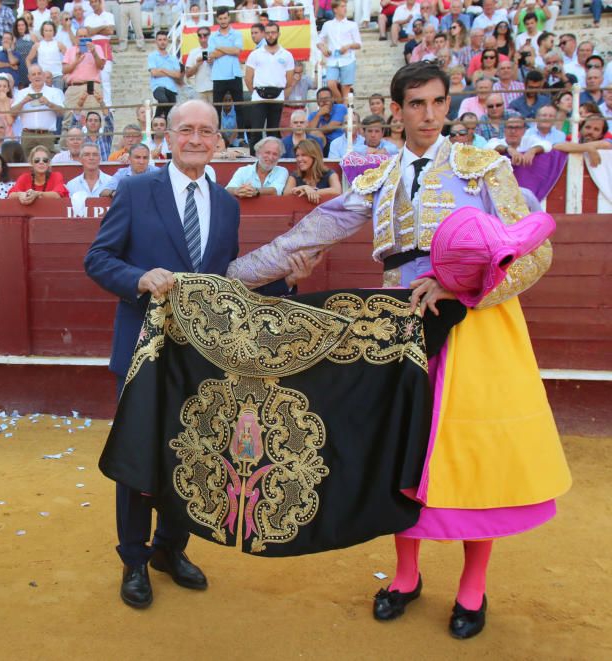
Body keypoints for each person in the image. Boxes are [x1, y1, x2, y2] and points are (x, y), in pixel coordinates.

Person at [226, 62, 569, 640]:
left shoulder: (485, 167)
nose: (429, 114)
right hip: (398, 326)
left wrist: (462, 287)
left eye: (437, 102)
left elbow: (536, 252)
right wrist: (230, 279)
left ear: (448, 106)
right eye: (416, 104)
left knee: (471, 457)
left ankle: (472, 586)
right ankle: (406, 577)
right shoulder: (377, 177)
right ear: (397, 110)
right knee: (400, 453)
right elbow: (305, 236)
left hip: (473, 329)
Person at [83, 99, 253, 610]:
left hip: (202, 356)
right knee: (138, 456)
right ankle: (133, 558)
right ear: (168, 136)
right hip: (144, 351)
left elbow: (227, 278)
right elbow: (98, 258)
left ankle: (169, 549)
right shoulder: (135, 190)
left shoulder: (226, 203)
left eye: (206, 131)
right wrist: (137, 278)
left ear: (219, 140)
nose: (196, 139)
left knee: (195, 456)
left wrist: (287, 275)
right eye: (186, 130)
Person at [244, 21, 295, 152]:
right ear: (264, 35)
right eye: (268, 33)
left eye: (273, 32)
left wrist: (282, 94)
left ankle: (273, 159)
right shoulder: (255, 54)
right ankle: (253, 159)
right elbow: (248, 78)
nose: (270, 36)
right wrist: (255, 93)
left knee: (273, 132)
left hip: (277, 97)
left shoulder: (287, 55)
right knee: (256, 131)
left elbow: (289, 81)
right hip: (258, 97)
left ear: (278, 34)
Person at [13, 65, 65, 154]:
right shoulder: (22, 93)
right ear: (29, 78)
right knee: (26, 164)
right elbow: (12, 113)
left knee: (47, 163)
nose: (37, 76)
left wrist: (49, 103)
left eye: (39, 73)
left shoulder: (55, 92)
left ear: (43, 75)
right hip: (27, 135)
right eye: (33, 74)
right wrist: (23, 102)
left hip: (46, 135)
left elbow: (62, 112)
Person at [318, 0, 362, 101]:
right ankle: (341, 104)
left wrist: (347, 46)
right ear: (335, 9)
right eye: (342, 6)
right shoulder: (327, 25)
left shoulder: (352, 25)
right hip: (332, 60)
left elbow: (358, 44)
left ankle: (345, 111)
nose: (345, 8)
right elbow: (319, 40)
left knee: (345, 89)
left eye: (345, 6)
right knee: (331, 84)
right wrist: (323, 48)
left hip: (348, 60)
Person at [208, 8, 243, 130]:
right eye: (221, 18)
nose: (223, 21)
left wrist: (220, 47)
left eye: (225, 18)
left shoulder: (237, 33)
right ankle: (215, 134)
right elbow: (212, 55)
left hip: (235, 75)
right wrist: (229, 49)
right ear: (217, 19)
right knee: (216, 108)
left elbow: (237, 51)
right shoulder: (212, 36)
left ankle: (242, 135)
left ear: (229, 18)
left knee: (240, 107)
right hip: (218, 76)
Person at [284, 138, 343, 203]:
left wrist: (313, 191)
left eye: (303, 155)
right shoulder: (295, 175)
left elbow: (337, 191)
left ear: (314, 156)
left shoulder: (330, 173)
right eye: (297, 156)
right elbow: (286, 193)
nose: (299, 159)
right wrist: (304, 187)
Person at [147, 30, 182, 119]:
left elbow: (178, 75)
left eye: (164, 39)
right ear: (156, 41)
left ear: (167, 41)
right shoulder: (152, 56)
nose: (162, 42)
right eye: (160, 40)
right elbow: (154, 73)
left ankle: (156, 121)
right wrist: (171, 73)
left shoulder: (173, 58)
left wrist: (163, 70)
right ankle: (155, 122)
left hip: (171, 89)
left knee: (170, 115)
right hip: (158, 87)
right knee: (163, 101)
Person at [308, 88, 346, 156]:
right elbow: (308, 132)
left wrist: (318, 130)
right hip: (322, 147)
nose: (324, 101)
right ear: (317, 102)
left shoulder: (340, 108)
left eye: (327, 98)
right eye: (321, 99)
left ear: (333, 99)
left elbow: (331, 127)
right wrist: (318, 115)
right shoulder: (314, 115)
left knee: (316, 132)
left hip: (340, 146)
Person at [184, 28, 214, 103]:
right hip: (199, 90)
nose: (202, 38)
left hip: (214, 88)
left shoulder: (216, 50)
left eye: (205, 35)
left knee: (216, 114)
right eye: (200, 35)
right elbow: (187, 74)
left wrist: (213, 62)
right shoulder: (193, 52)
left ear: (210, 36)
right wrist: (197, 65)